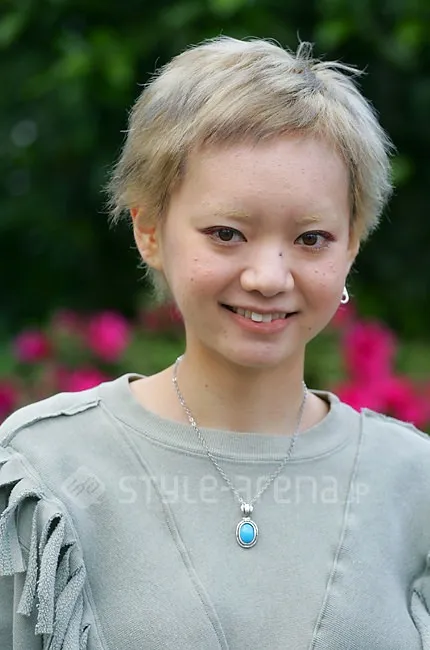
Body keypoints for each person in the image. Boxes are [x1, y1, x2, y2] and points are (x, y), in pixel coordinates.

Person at [1, 35, 429, 650]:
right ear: (150, 231)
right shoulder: (44, 473)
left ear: (352, 244)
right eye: (227, 233)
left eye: (311, 239)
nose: (269, 277)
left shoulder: (413, 484)